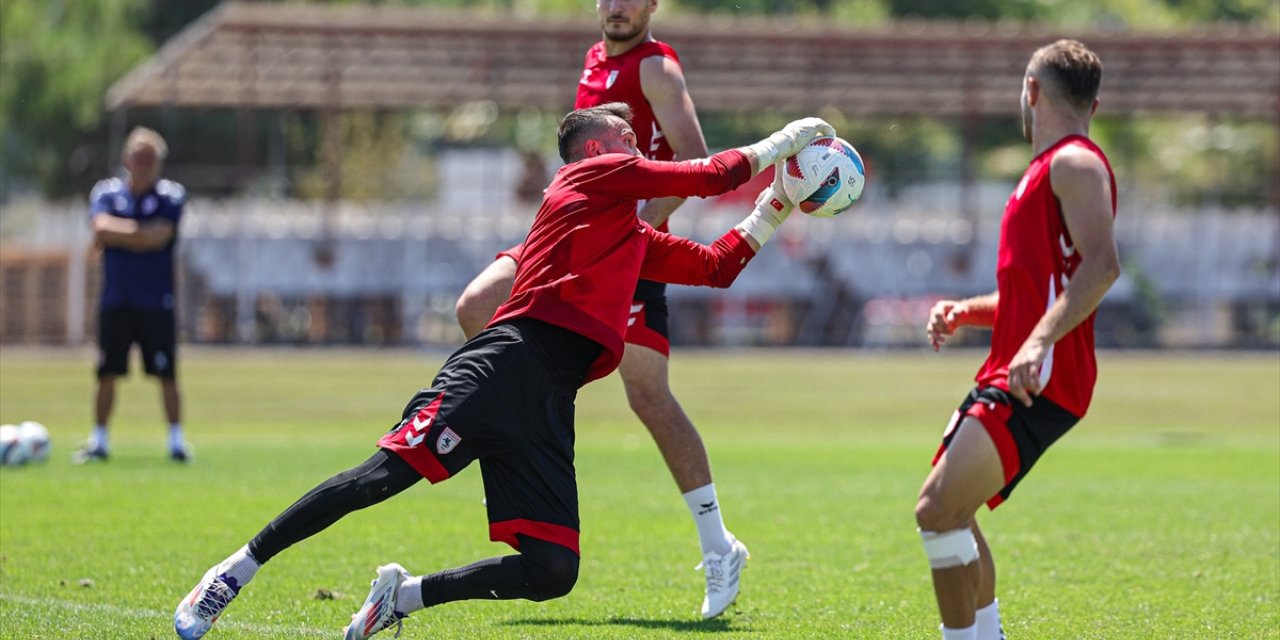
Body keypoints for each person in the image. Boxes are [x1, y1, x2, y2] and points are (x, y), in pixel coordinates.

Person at [173, 104, 834, 640]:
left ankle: (403, 598)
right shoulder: (582, 180)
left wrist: (776, 204)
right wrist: (786, 139)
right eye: (621, 131)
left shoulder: (626, 235)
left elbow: (715, 268)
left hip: (550, 398)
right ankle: (234, 571)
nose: (634, 137)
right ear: (593, 150)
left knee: (552, 570)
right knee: (377, 480)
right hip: (503, 364)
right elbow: (712, 176)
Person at [454, 0, 742, 618]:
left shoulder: (657, 69)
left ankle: (719, 545)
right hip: (571, 241)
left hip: (623, 248)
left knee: (650, 400)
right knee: (476, 305)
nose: (616, 5)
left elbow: (692, 157)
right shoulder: (592, 60)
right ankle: (520, 444)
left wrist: (632, 237)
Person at [916, 39, 1120, 640]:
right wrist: (966, 312)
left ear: (1030, 92)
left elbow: (1103, 266)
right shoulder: (1043, 173)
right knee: (955, 516)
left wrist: (1035, 345)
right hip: (1016, 367)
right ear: (1095, 103)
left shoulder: (1073, 164)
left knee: (938, 511)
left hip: (1040, 376)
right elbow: (1037, 296)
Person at [76, 126, 191, 464]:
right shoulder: (107, 193)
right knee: (107, 371)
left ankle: (177, 442)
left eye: (150, 159)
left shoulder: (170, 195)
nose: (143, 164)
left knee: (167, 373)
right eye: (138, 157)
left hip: (155, 301)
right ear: (126, 159)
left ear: (158, 163)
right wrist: (139, 233)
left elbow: (159, 236)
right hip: (117, 299)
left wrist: (119, 233)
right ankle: (99, 441)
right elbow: (100, 228)